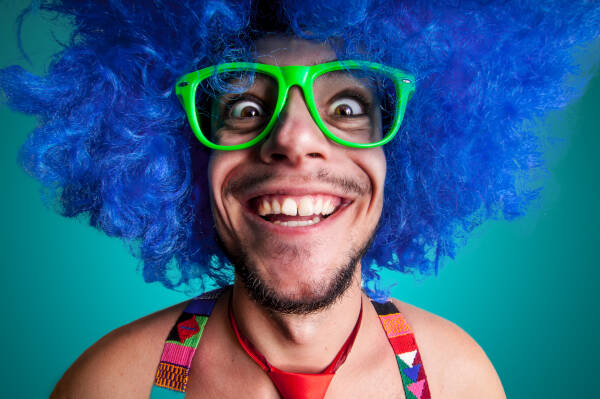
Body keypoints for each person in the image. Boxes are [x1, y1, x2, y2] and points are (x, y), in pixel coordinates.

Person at [1, 1, 598, 398]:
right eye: (245, 109)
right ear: (183, 156)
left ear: (410, 154)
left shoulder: (458, 381)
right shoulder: (110, 387)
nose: (292, 141)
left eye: (345, 108)